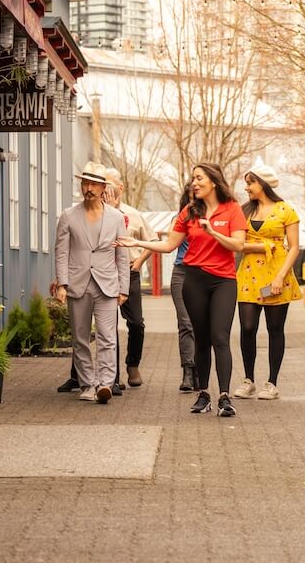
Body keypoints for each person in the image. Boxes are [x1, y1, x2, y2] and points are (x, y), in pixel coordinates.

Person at [118, 163, 246, 417]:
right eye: (193, 179)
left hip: (223, 282)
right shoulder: (189, 212)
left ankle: (224, 397)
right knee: (201, 339)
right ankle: (203, 395)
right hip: (194, 281)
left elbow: (239, 245)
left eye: (199, 178)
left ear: (213, 181)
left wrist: (213, 231)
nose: (194, 183)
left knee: (220, 337)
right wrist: (137, 242)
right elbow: (168, 246)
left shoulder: (232, 209)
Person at [53, 162, 130, 404]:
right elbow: (61, 252)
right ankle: (87, 384)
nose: (88, 188)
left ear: (103, 188)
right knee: (80, 337)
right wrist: (62, 284)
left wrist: (124, 288)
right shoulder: (68, 216)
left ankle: (105, 384)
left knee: (108, 337)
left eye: (93, 184)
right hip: (78, 284)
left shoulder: (117, 217)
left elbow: (123, 254)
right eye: (85, 183)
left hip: (107, 285)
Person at [232, 164, 301, 401]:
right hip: (249, 274)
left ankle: (272, 382)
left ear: (262, 183)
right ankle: (248, 379)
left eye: (250, 182)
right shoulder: (244, 211)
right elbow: (237, 243)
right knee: (247, 327)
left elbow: (293, 248)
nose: (246, 187)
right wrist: (261, 246)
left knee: (275, 329)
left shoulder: (286, 210)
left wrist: (281, 276)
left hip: (277, 274)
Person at [103, 167, 155, 388]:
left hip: (130, 272)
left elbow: (151, 241)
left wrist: (141, 260)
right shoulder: (97, 214)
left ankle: (132, 365)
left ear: (120, 187)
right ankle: (111, 376)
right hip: (105, 273)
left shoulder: (133, 214)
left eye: (109, 185)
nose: (105, 190)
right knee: (108, 326)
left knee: (136, 323)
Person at [171, 180, 197, 392]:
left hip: (204, 273)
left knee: (201, 325)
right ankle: (188, 371)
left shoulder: (213, 216)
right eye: (190, 195)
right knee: (185, 323)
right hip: (181, 272)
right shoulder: (181, 217)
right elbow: (170, 243)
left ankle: (201, 370)